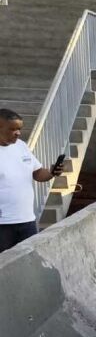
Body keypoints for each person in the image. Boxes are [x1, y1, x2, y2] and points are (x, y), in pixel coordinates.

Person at [0, 108, 64, 252]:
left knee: (29, 262)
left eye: (19, 129)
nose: (18, 133)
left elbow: (37, 173)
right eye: (12, 129)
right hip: (3, 224)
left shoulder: (21, 146)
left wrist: (52, 172)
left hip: (27, 220)